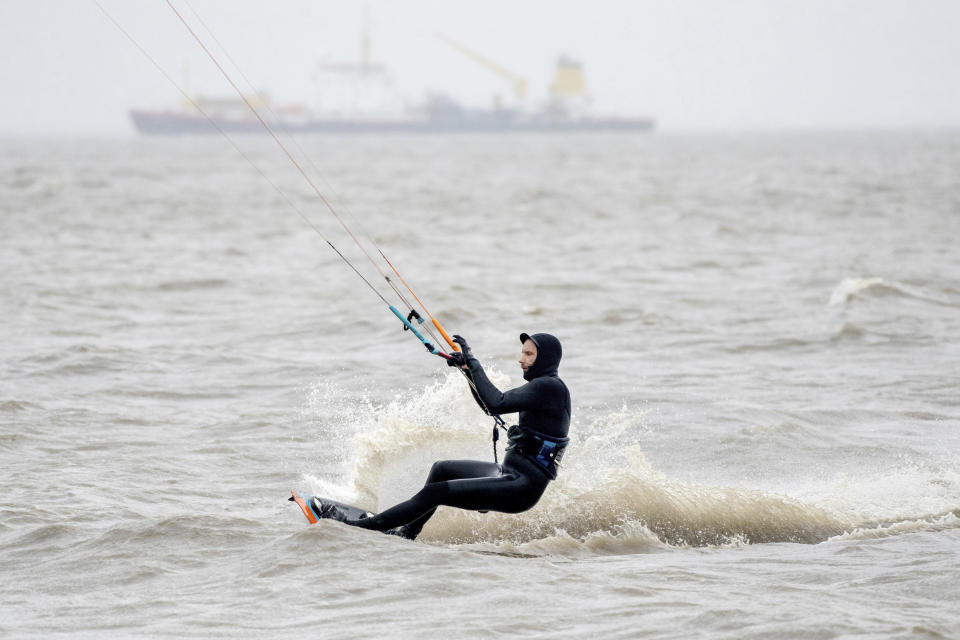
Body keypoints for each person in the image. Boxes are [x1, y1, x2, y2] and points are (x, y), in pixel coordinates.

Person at [317, 332, 571, 540]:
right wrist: (467, 371)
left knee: (436, 492)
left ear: (545, 358)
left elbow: (496, 402)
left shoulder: (549, 387)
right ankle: (407, 532)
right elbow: (488, 406)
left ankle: (366, 528)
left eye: (529, 354)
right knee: (442, 469)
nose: (521, 359)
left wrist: (472, 361)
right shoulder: (542, 387)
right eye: (522, 353)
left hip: (521, 486)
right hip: (509, 473)